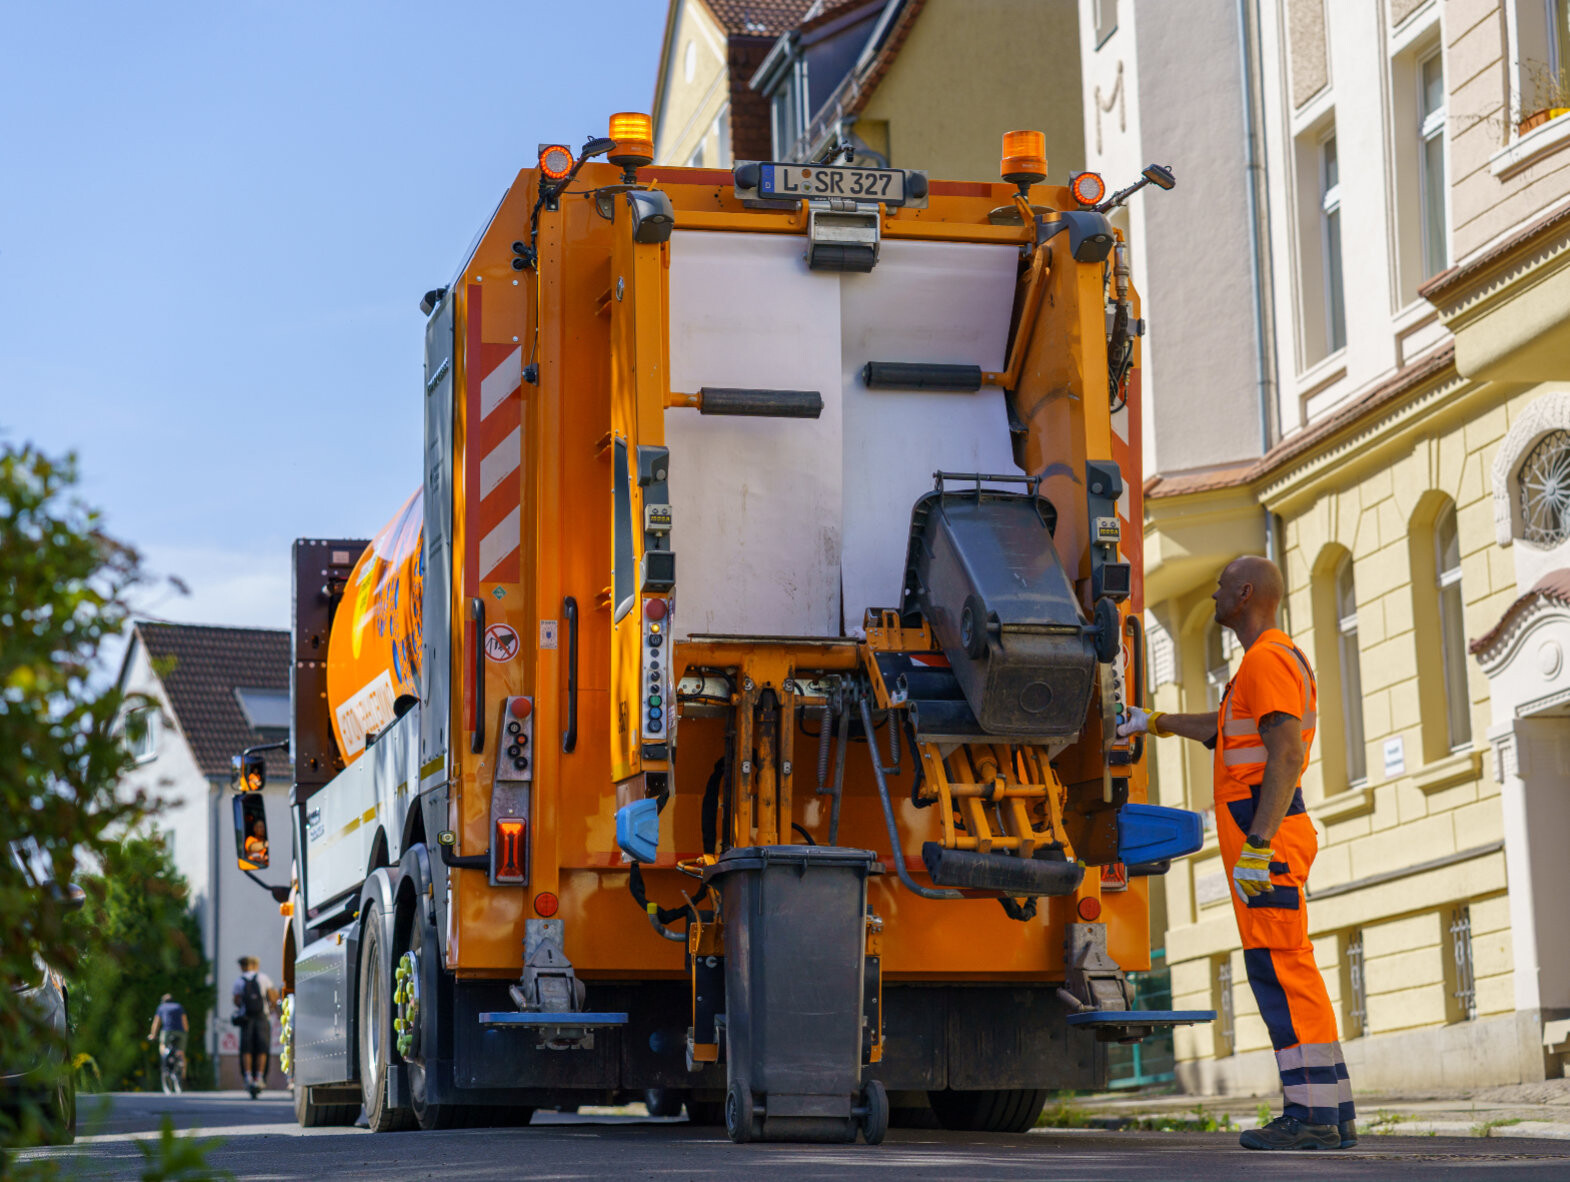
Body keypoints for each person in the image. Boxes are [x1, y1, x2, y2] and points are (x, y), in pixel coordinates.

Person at [1118, 555, 1355, 1151]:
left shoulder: (1267, 660)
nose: (1217, 594)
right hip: (1271, 832)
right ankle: (1333, 1110)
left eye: (1223, 586)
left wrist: (1257, 846)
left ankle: (1311, 1119)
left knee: (1279, 970)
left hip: (1265, 835)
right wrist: (1154, 722)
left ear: (1245, 594)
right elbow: (1225, 732)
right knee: (1289, 965)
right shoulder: (1270, 661)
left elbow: (1285, 757)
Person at [232, 955, 278, 1095]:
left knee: (246, 1049)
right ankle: (259, 1077)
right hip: (262, 1017)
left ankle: (248, 1077)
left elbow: (236, 1000)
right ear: (255, 965)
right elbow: (272, 997)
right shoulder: (263, 978)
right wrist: (270, 1008)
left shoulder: (239, 981)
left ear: (243, 966)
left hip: (246, 1019)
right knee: (262, 1048)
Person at [148, 993, 188, 1081]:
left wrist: (153, 1035)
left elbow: (156, 1023)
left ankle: (165, 1062)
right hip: (180, 1032)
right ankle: (183, 1075)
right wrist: (185, 1032)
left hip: (167, 1031)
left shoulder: (161, 1007)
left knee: (163, 1045)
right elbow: (184, 1021)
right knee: (181, 1052)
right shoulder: (179, 1006)